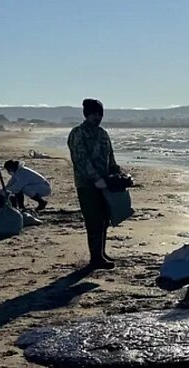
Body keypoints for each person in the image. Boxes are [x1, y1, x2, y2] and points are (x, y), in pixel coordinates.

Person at [67, 98, 121, 269]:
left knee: (105, 219)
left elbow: (110, 156)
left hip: (105, 183)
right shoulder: (78, 133)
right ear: (87, 115)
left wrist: (117, 173)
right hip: (87, 185)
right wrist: (95, 179)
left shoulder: (102, 133)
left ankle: (101, 252)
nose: (97, 118)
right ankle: (95, 257)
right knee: (94, 219)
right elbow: (80, 159)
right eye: (94, 114)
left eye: (100, 115)